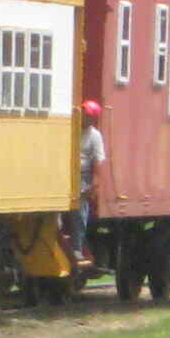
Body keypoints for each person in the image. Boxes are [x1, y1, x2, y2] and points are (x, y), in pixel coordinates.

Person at [71, 99, 108, 264]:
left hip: (82, 175)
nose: (85, 118)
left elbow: (99, 160)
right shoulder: (70, 129)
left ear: (93, 119)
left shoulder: (94, 136)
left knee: (80, 210)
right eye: (84, 114)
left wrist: (95, 184)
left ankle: (77, 247)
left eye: (88, 116)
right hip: (65, 174)